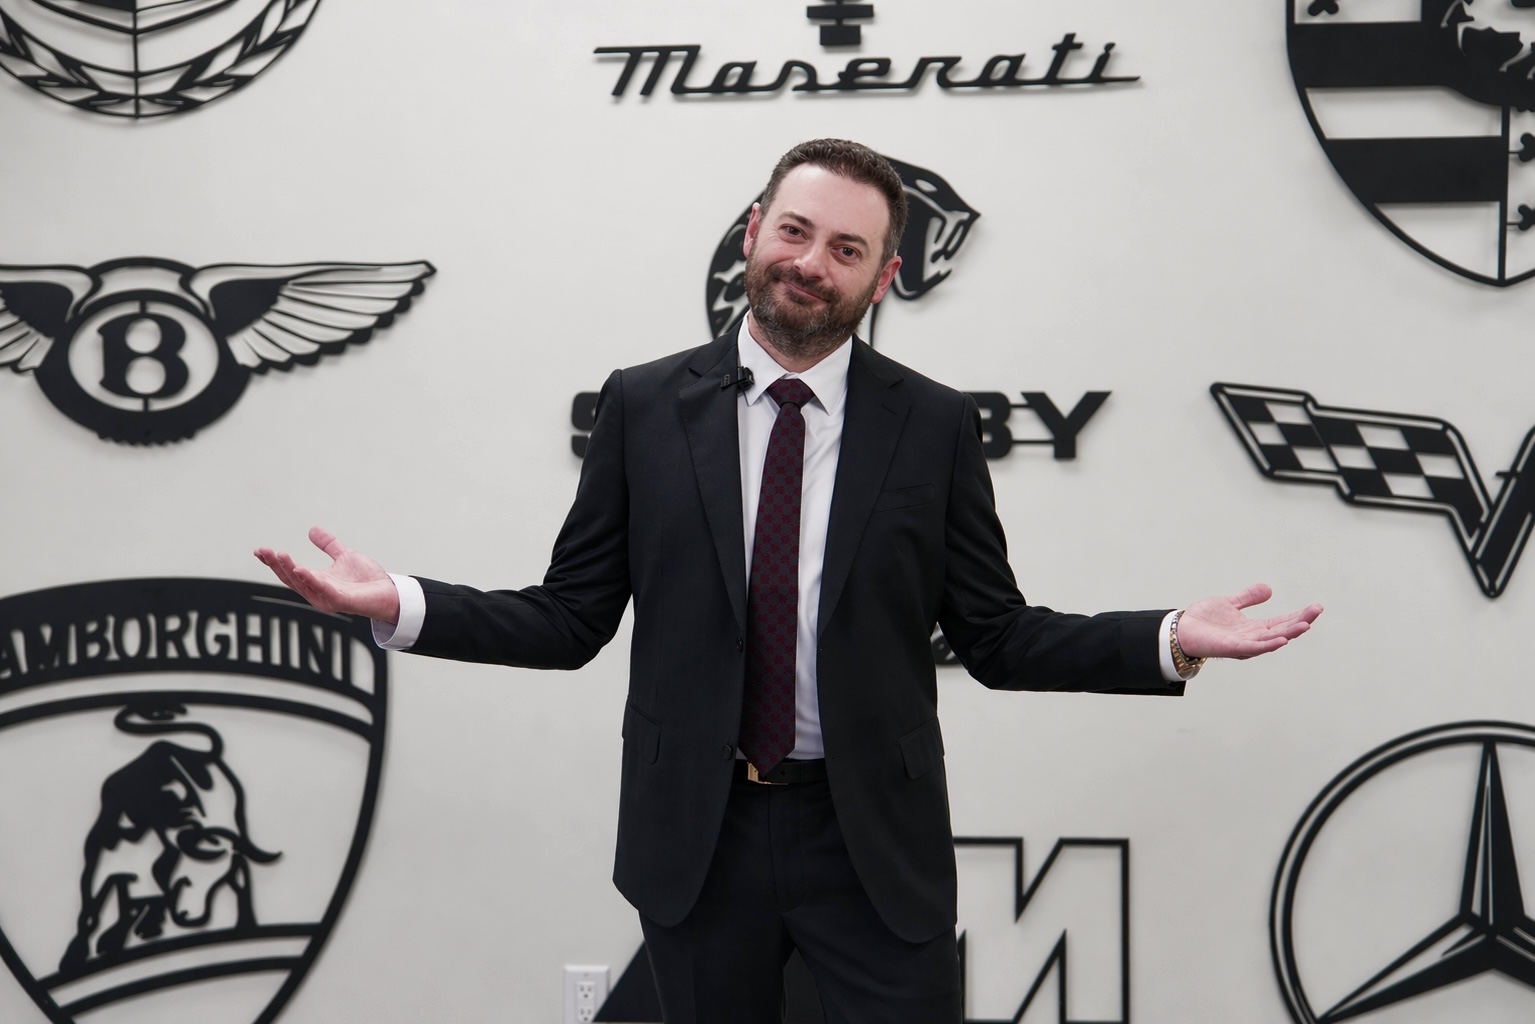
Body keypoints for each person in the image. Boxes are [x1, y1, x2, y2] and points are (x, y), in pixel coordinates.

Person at [255, 139, 1320, 1023]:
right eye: (796, 231)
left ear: (883, 277)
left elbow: (996, 636)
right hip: (698, 833)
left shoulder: (933, 425)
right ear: (754, 229)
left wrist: (1167, 635)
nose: (811, 263)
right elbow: (568, 617)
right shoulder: (642, 407)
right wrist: (399, 602)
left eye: (846, 249)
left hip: (869, 841)